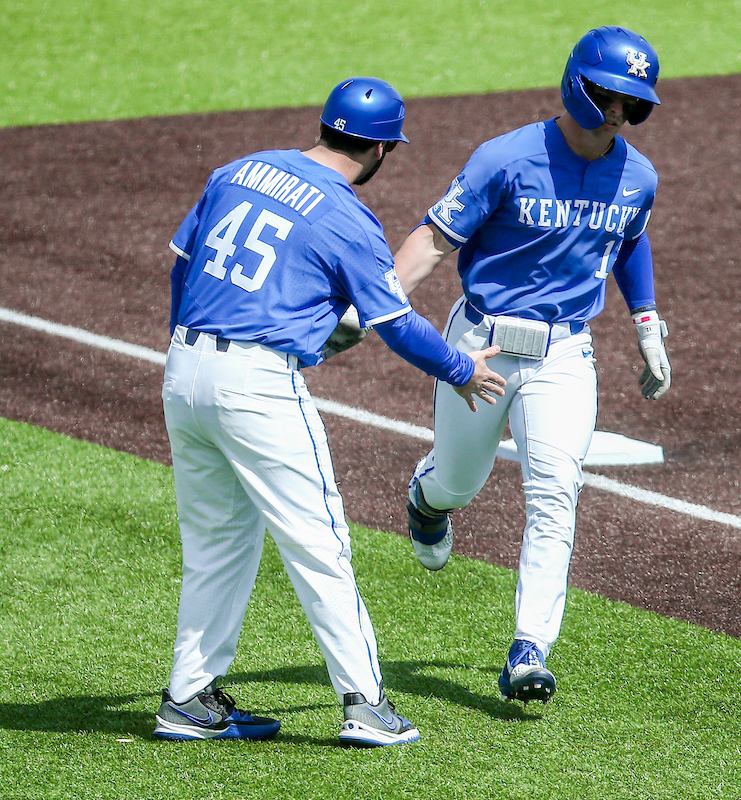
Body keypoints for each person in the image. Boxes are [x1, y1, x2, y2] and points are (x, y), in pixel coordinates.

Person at [154, 77, 506, 747]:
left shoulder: (240, 169)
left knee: (216, 544)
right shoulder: (345, 214)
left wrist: (183, 340)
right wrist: (462, 369)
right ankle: (365, 704)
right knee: (320, 545)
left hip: (185, 367)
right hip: (255, 384)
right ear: (379, 150)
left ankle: (188, 697)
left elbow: (181, 263)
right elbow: (396, 322)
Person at [394, 27, 672, 704]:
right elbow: (436, 238)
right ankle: (427, 500)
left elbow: (630, 238)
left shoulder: (638, 175)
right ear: (577, 84)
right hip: (481, 344)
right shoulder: (505, 159)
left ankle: (528, 650)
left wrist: (645, 323)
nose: (616, 115)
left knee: (555, 493)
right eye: (608, 97)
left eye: (631, 105)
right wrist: (379, 298)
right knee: (460, 482)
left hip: (565, 354)